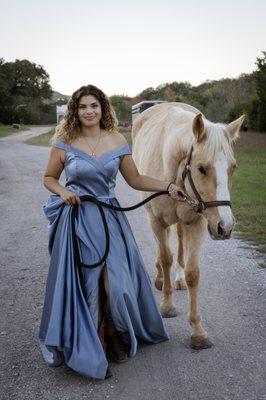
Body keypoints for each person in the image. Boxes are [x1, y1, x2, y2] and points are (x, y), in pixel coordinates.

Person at [38, 84, 185, 380]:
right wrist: (63, 191)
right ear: (75, 112)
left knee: (115, 282)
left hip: (109, 219)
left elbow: (135, 178)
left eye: (94, 105)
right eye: (83, 107)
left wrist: (167, 186)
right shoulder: (65, 140)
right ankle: (97, 340)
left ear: (103, 108)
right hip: (78, 219)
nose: (89, 111)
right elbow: (49, 178)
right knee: (89, 282)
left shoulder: (117, 139)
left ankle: (115, 331)